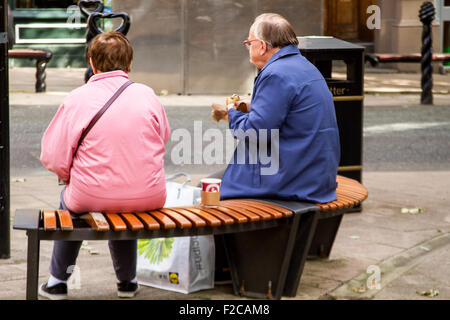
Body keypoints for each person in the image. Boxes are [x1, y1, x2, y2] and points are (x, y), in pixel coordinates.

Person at [39, 32, 170, 300]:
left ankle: (57, 282)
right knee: (125, 207)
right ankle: (127, 283)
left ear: (92, 63)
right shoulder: (147, 95)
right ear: (130, 63)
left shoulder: (77, 98)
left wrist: (68, 177)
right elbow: (163, 136)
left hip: (90, 195)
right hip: (149, 195)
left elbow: (52, 155)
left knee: (70, 207)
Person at [211, 13, 340, 204]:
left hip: (291, 179)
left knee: (207, 190)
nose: (248, 47)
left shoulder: (275, 74)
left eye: (249, 43)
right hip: (315, 175)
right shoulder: (305, 66)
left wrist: (230, 113)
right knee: (220, 178)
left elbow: (256, 132)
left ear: (262, 46)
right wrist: (251, 105)